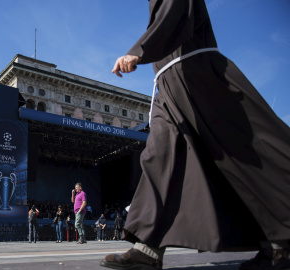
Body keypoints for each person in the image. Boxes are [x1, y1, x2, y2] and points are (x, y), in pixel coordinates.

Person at [101, 1, 290, 270]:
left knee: (243, 157)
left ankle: (278, 243)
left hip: (198, 75)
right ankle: (149, 247)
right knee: (159, 156)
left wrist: (139, 51)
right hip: (167, 85)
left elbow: (173, 12)